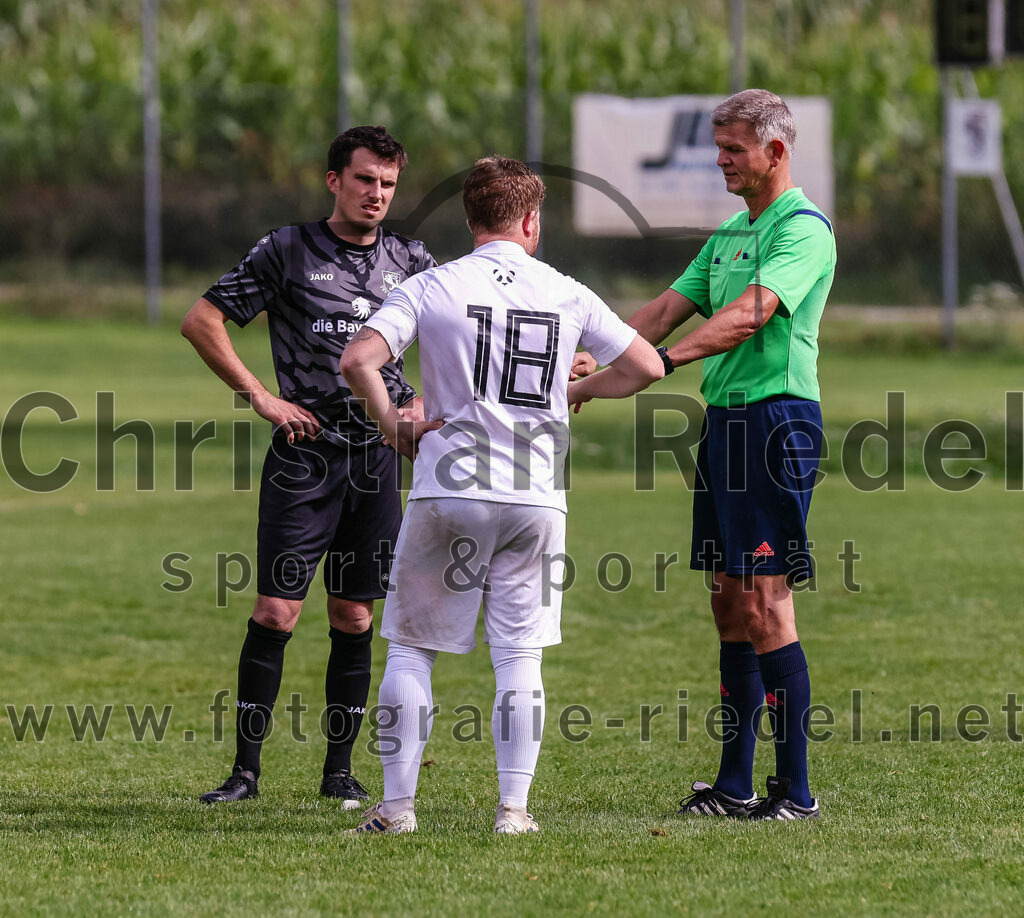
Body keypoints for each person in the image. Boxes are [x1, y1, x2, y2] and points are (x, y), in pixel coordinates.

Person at [338, 156, 664, 834]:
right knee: (519, 656)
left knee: (410, 649)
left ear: (471, 220)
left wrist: (392, 423)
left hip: (450, 486)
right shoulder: (566, 291)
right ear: (531, 221)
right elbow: (646, 366)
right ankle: (513, 810)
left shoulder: (432, 285)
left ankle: (398, 807)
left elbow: (358, 360)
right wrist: (575, 391)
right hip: (536, 495)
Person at [574, 89, 836, 820]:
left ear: (775, 152)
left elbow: (749, 316)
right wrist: (596, 358)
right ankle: (733, 784)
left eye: (733, 149)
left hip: (775, 424)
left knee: (765, 601)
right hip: (726, 426)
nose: (721, 161)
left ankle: (796, 793)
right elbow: (663, 311)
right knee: (728, 602)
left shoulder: (804, 229)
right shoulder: (728, 234)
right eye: (717, 148)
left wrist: (659, 361)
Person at [181, 126, 435, 806]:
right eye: (365, 179)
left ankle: (338, 773)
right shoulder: (287, 249)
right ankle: (245, 773)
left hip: (376, 459)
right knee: (276, 611)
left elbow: (450, 339)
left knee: (354, 617)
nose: (377, 193)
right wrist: (262, 398)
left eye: (388, 183)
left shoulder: (412, 259)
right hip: (305, 459)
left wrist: (416, 404)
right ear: (334, 181)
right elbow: (202, 320)